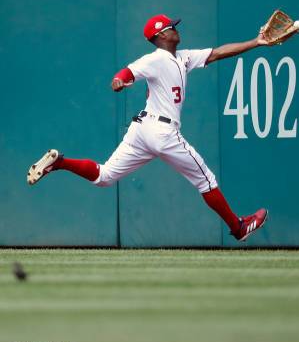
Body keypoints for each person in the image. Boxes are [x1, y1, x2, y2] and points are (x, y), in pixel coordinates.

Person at [27, 14, 272, 241]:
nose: (176, 29)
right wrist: (119, 80)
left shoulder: (183, 57)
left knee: (105, 176)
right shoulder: (155, 59)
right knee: (206, 180)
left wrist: (256, 41)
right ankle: (238, 228)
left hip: (142, 130)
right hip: (162, 132)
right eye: (171, 27)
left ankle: (60, 162)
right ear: (161, 35)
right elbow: (128, 71)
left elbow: (218, 53)